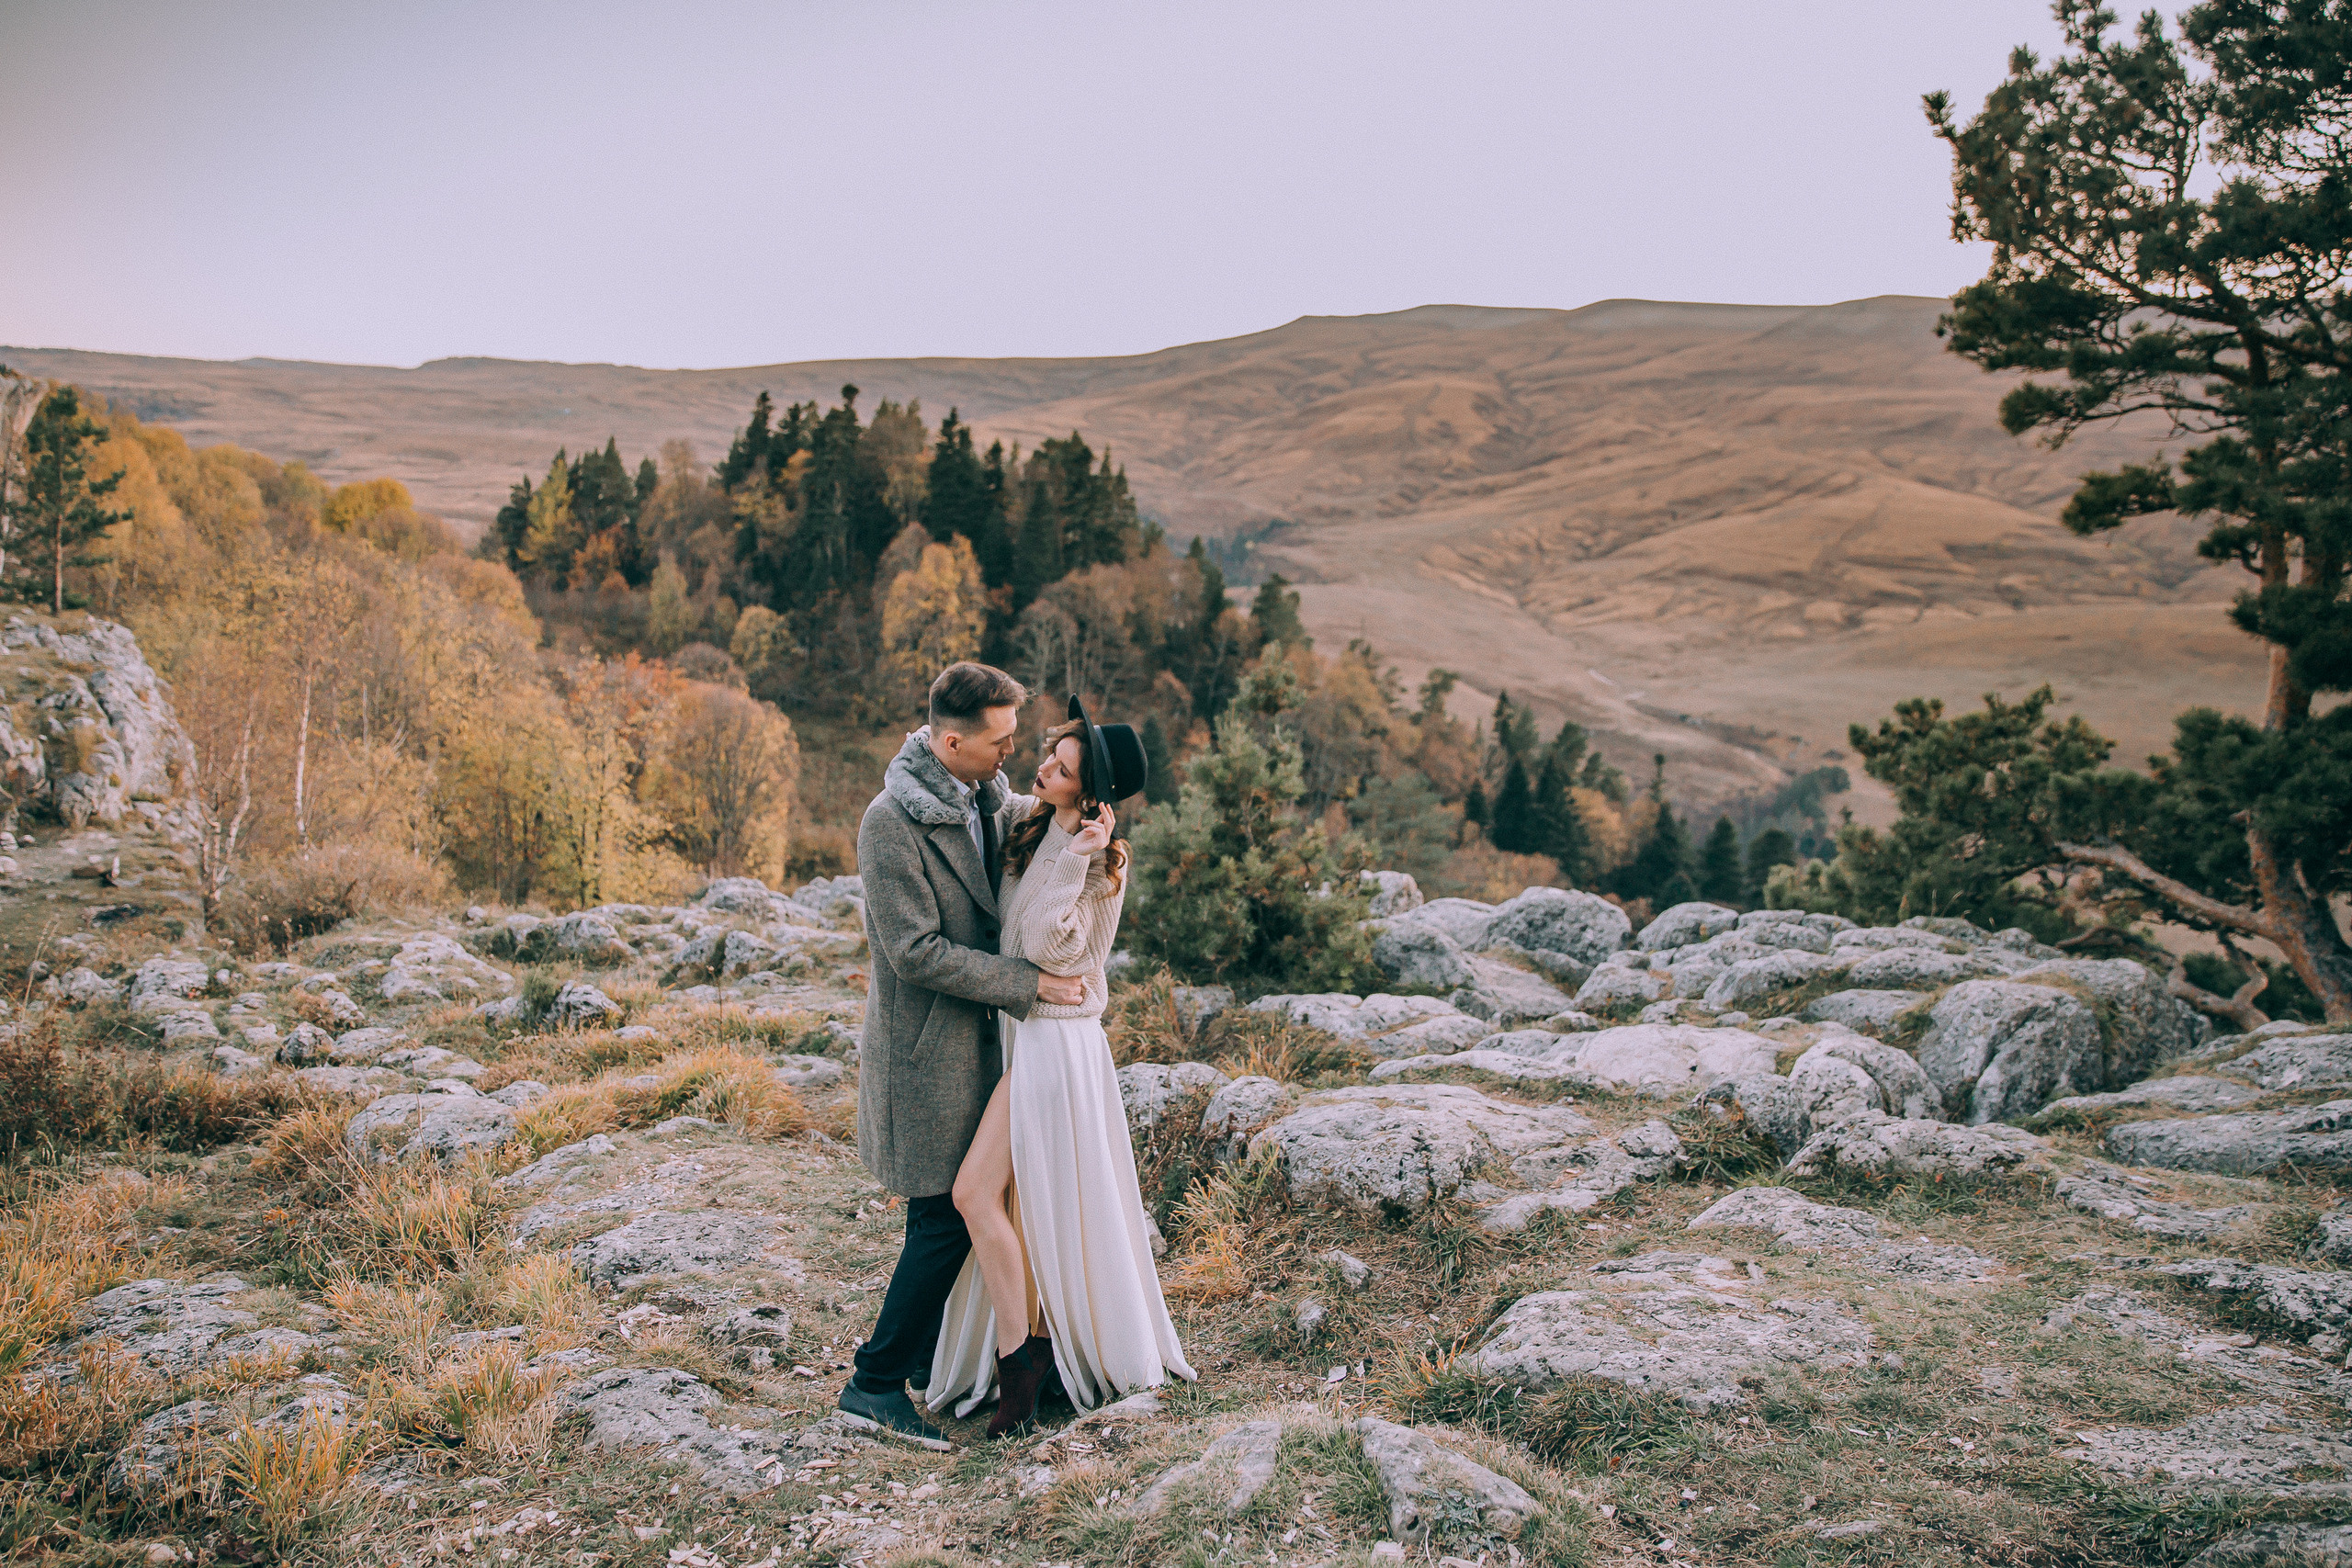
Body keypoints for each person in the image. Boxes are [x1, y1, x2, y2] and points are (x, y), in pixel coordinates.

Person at [924, 698, 1196, 1437]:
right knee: (1017, 1207)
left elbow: (1050, 945)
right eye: (1049, 750)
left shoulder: (1103, 864)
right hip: (1029, 1037)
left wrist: (1078, 859)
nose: (1040, 765)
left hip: (1059, 1045)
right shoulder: (1034, 823)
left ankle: (1025, 1357)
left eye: (1060, 765)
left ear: (1089, 791)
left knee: (975, 1192)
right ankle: (1021, 1351)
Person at [839, 662, 1090, 1440]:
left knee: (956, 1212)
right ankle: (874, 1382)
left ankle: (923, 1361)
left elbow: (1037, 817)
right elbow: (914, 950)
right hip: (926, 1053)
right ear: (952, 741)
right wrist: (1028, 983)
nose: (1013, 754)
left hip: (985, 1046)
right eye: (1001, 741)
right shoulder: (890, 824)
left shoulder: (985, 794)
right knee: (942, 1219)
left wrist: (1089, 817)